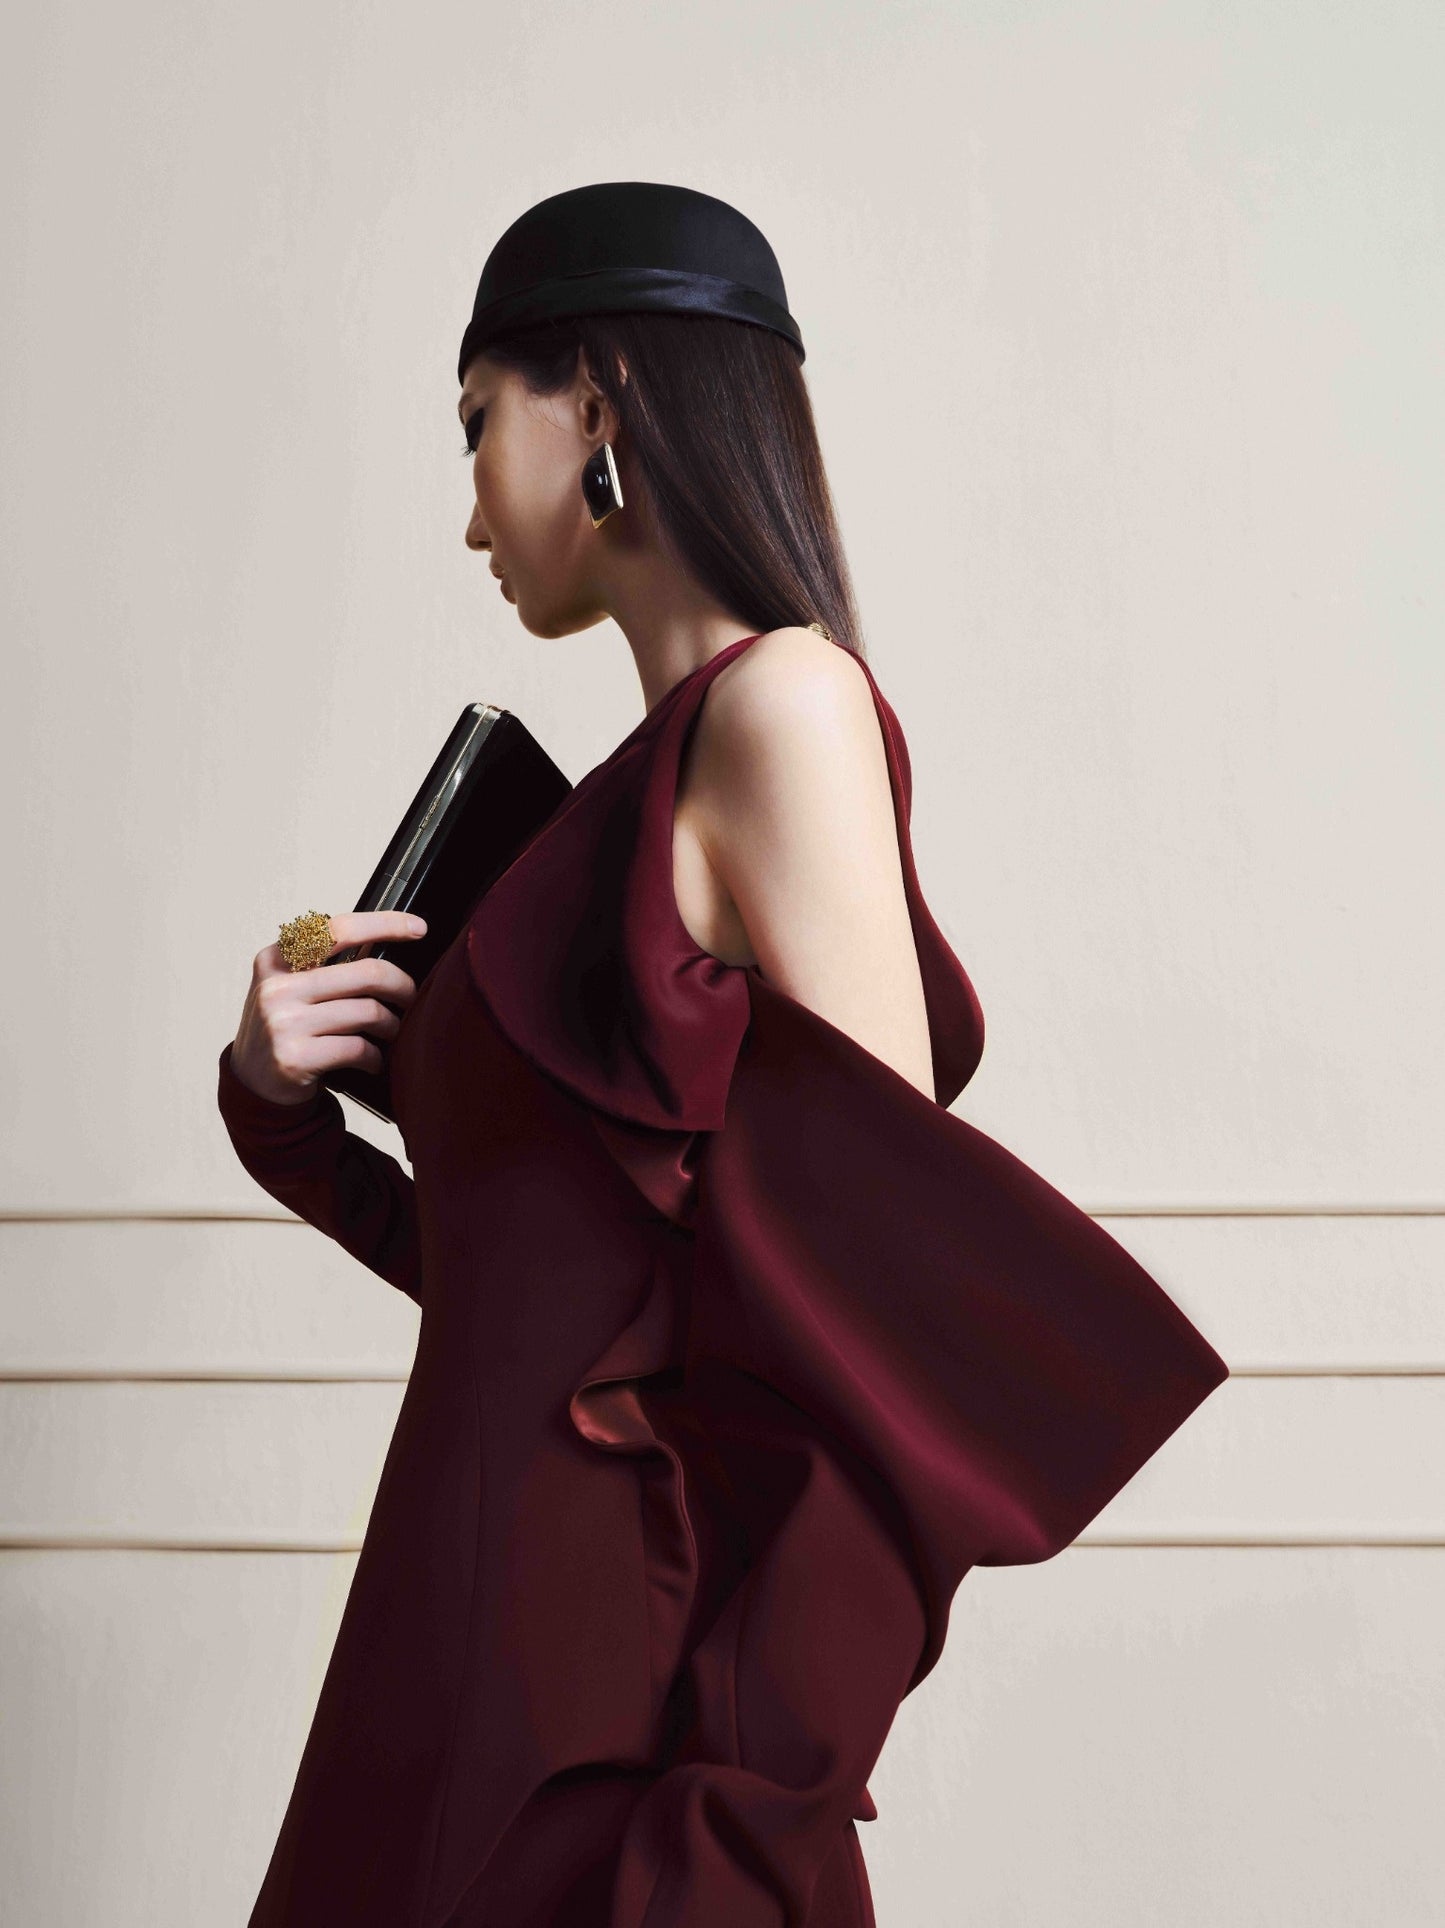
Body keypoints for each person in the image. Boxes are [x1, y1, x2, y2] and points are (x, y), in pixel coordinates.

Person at [218, 182, 1229, 1928]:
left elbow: (887, 1327)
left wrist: (769, 1789)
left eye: (477, 430)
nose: (467, 514)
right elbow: (529, 1308)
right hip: (457, 1659)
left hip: (614, 1735)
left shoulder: (780, 707)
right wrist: (281, 1111)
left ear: (596, 405)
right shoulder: (618, 801)